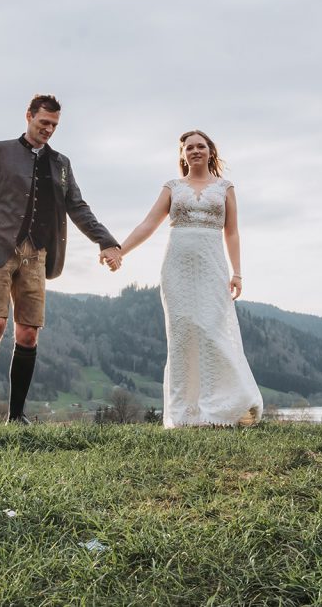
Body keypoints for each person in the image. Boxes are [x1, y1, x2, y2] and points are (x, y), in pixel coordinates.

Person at [0, 94, 121, 424]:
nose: (48, 129)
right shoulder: (0, 151)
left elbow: (77, 206)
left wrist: (105, 240)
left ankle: (16, 415)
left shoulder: (61, 164)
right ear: (28, 117)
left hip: (37, 254)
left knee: (28, 333)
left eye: (54, 125)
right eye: (43, 123)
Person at [118, 130, 263, 427]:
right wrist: (120, 251)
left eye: (201, 146)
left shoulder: (225, 187)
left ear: (210, 151)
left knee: (212, 331)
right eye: (189, 147)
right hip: (177, 268)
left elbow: (232, 231)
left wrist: (237, 273)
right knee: (182, 336)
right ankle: (185, 415)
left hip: (213, 266)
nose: (195, 151)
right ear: (182, 154)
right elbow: (148, 223)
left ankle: (221, 409)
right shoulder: (172, 187)